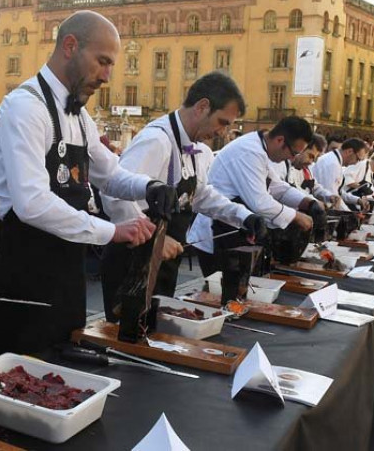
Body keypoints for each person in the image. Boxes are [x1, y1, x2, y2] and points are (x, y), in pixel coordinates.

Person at [0, 10, 175, 358]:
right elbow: (31, 203)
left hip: (68, 266)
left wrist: (149, 187)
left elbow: (111, 174)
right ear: (70, 46)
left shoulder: (80, 116)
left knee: (61, 363)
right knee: (19, 372)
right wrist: (113, 231)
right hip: (28, 264)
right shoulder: (25, 107)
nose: (106, 76)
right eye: (102, 62)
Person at [100, 72, 264, 318]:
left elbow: (200, 195)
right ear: (202, 107)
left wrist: (244, 217)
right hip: (132, 264)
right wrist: (155, 236)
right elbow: (115, 195)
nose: (223, 132)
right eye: (222, 122)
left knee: (157, 333)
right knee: (126, 340)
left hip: (163, 264)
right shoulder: (156, 140)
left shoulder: (194, 148)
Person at [188, 116, 318, 275]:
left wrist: (308, 202)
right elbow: (260, 203)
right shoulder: (249, 151)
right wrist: (297, 216)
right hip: (219, 232)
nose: (292, 158)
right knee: (221, 292)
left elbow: (276, 186)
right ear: (279, 140)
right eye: (293, 152)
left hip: (238, 229)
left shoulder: (261, 149)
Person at [312, 137, 369, 211]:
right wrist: (350, 213)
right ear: (349, 151)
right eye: (357, 159)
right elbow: (332, 199)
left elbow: (339, 191)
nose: (356, 163)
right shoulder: (332, 164)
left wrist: (357, 200)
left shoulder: (336, 161)